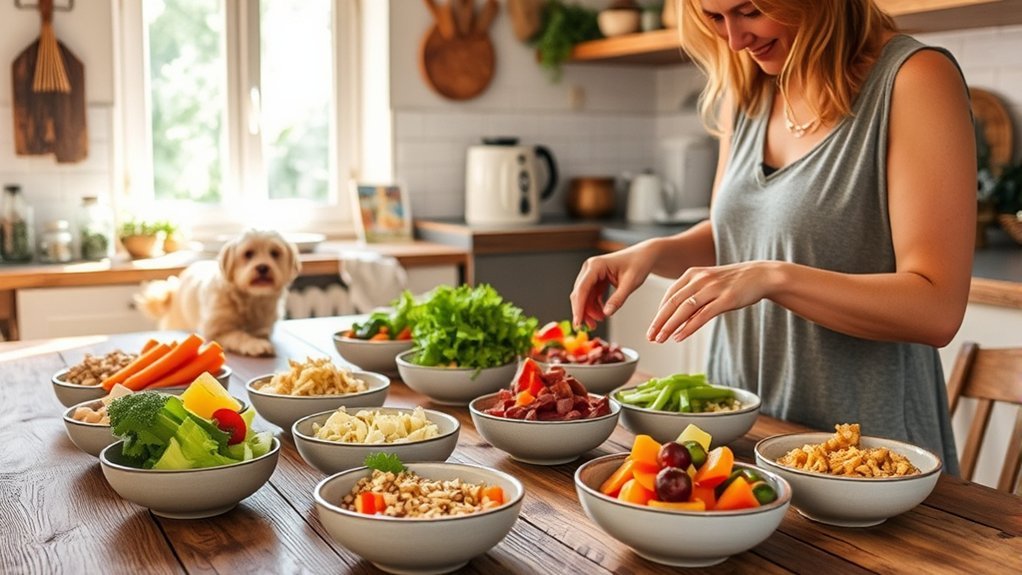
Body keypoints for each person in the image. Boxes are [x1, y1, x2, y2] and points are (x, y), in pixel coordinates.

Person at [570, 0, 975, 473]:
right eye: (715, 18)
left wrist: (774, 278)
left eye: (750, 10)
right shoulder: (745, 91)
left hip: (869, 462)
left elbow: (937, 309)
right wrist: (654, 251)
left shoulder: (914, 79)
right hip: (746, 440)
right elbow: (742, 235)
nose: (735, 40)